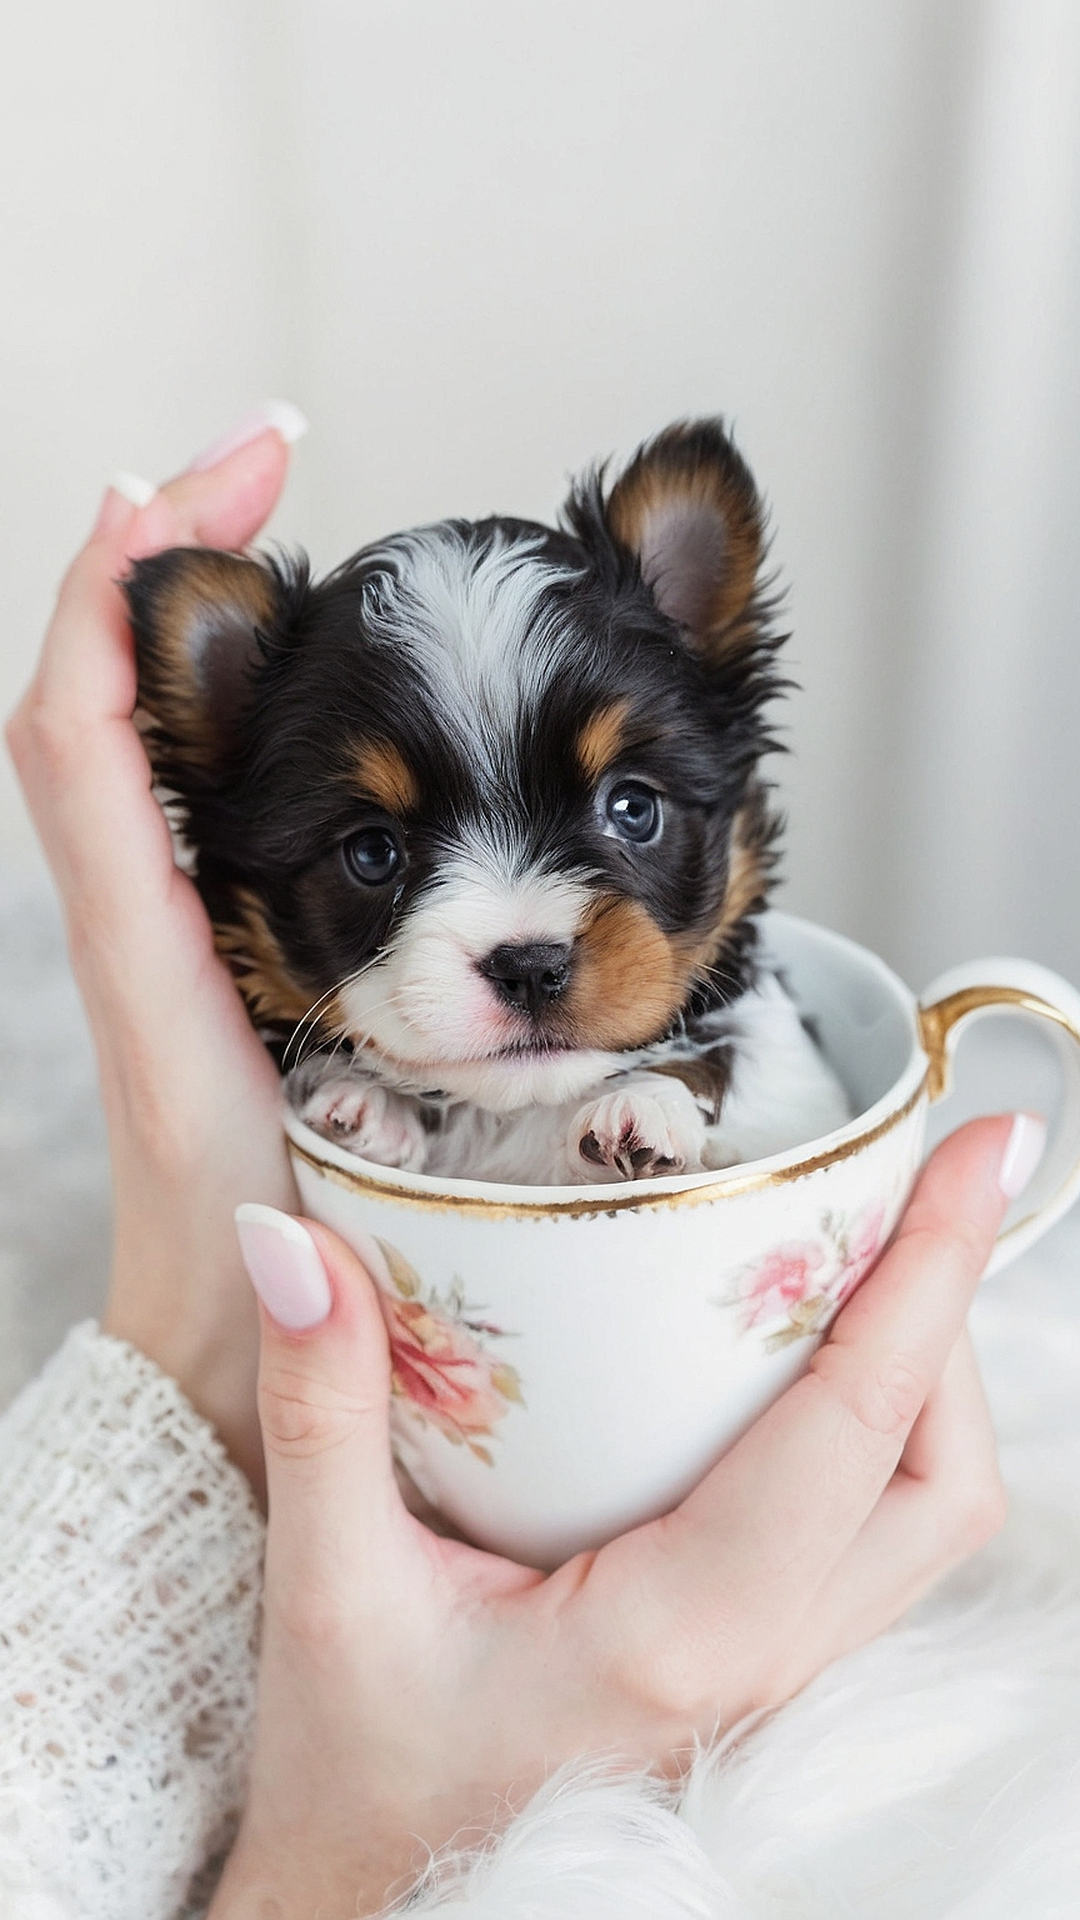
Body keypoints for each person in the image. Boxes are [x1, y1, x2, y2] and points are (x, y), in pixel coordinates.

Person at [1, 411, 1044, 1919]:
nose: (531, 932)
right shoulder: (343, 1088)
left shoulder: (765, 1035)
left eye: (630, 812)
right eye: (376, 855)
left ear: (726, 800)